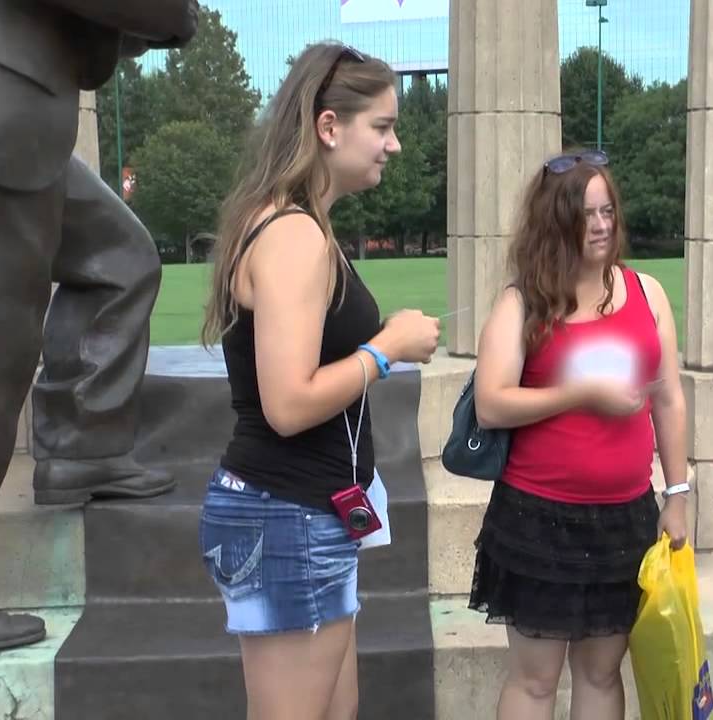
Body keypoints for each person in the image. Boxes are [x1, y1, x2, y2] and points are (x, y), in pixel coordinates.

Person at [196, 42, 440, 718]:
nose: (393, 144)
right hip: (288, 513)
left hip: (303, 514)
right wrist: (386, 349)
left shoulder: (294, 223)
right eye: (382, 127)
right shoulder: (294, 234)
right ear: (329, 127)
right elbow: (287, 404)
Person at [0, 0, 198, 651]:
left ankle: (85, 449)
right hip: (4, 104)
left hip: (24, 107)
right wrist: (176, 15)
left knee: (122, 258)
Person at [470, 149, 690, 720]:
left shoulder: (646, 293)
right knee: (535, 682)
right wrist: (583, 392)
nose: (600, 225)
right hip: (538, 519)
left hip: (626, 517)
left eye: (607, 211)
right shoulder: (523, 302)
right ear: (555, 221)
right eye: (585, 214)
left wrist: (679, 494)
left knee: (601, 674)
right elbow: (492, 404)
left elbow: (667, 397)